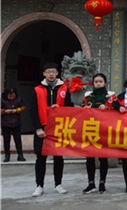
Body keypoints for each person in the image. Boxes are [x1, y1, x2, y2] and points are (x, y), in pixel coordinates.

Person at [29, 62, 74, 197]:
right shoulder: (37, 89)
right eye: (48, 71)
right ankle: (39, 186)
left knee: (58, 156)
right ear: (44, 73)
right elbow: (32, 110)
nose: (51, 74)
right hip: (42, 128)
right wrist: (37, 128)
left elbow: (70, 107)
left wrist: (60, 109)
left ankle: (58, 184)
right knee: (40, 157)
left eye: (53, 71)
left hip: (58, 128)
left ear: (57, 73)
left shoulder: (64, 89)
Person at [82, 73, 115, 194]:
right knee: (89, 158)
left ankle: (102, 183)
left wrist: (107, 108)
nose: (98, 83)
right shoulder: (88, 97)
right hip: (90, 129)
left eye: (100, 81)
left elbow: (116, 110)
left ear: (105, 82)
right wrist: (84, 109)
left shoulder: (110, 97)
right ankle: (91, 183)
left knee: (103, 157)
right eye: (96, 82)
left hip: (104, 131)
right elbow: (81, 110)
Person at [1, 87, 26, 162]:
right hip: (5, 123)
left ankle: (20, 155)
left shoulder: (19, 99)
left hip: (16, 122)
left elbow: (24, 107)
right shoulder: (2, 100)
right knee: (6, 140)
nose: (11, 97)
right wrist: (5, 111)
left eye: (13, 95)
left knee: (18, 140)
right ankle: (7, 155)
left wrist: (17, 110)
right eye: (10, 95)